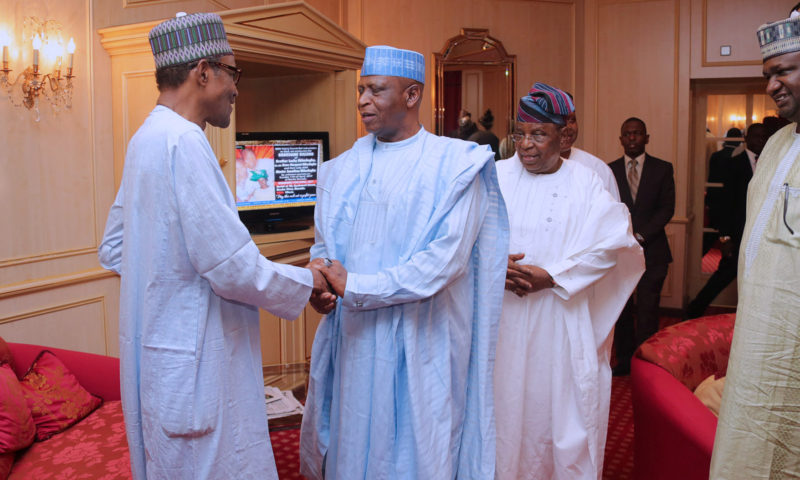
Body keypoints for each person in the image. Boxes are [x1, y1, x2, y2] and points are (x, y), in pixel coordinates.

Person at [97, 13, 334, 480]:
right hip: (195, 364)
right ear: (202, 71)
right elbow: (230, 267)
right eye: (232, 72)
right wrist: (309, 280)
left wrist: (170, 281)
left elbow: (116, 247)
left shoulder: (146, 137)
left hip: (166, 361)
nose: (236, 88)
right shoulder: (184, 142)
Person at [299, 45, 509, 480]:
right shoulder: (340, 169)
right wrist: (322, 286)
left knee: (418, 452)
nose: (362, 100)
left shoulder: (455, 166)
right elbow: (325, 247)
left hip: (422, 338)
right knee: (351, 445)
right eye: (360, 90)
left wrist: (356, 286)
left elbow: (443, 264)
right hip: (354, 340)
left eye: (375, 90)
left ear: (412, 96)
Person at [493, 82, 644, 480]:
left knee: (559, 420)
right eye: (520, 133)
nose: (526, 144)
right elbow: (462, 239)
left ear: (564, 136)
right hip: (502, 324)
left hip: (559, 324)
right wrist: (491, 265)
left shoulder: (586, 181)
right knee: (504, 415)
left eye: (538, 134)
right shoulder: (492, 178)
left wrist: (553, 276)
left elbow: (616, 246)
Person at [710, 8, 800, 477]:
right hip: (757, 347)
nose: (771, 86)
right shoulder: (779, 146)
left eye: (783, 71)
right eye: (768, 75)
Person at [609, 117, 675, 376]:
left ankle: (645, 363)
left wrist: (640, 236)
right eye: (627, 134)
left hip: (654, 252)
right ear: (621, 139)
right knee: (622, 310)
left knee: (648, 310)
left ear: (647, 138)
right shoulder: (609, 170)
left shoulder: (662, 168)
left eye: (637, 133)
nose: (632, 138)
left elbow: (667, 208)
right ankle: (625, 360)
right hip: (620, 254)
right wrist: (624, 238)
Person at [685, 123, 769, 319]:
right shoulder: (732, 164)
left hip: (764, 237)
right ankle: (692, 313)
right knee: (721, 278)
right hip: (738, 235)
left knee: (759, 284)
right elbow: (723, 204)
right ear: (746, 139)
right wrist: (725, 237)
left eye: (764, 137)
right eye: (756, 136)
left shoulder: (772, 164)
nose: (761, 140)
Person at [559, 98, 621, 200]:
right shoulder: (530, 167)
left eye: (572, 120)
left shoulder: (597, 168)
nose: (568, 127)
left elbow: (614, 214)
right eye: (561, 121)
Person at [704, 127, 743, 253]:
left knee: (712, 233)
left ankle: (700, 253)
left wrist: (709, 200)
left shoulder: (716, 156)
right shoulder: (739, 159)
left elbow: (711, 179)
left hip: (716, 200)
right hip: (734, 204)